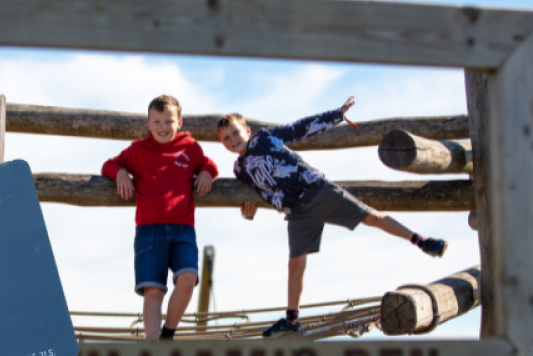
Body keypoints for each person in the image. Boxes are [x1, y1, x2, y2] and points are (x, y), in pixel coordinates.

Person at [215, 96, 448, 337]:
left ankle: (420, 240)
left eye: (236, 133)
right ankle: (292, 320)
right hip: (296, 211)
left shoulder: (265, 138)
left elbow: (300, 127)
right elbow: (255, 195)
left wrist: (337, 114)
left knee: (370, 217)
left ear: (247, 130)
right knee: (295, 264)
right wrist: (247, 214)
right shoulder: (239, 169)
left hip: (316, 190)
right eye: (226, 138)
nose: (233, 140)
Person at [102, 95, 219, 341]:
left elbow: (209, 165)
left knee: (188, 278)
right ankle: (153, 347)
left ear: (180, 122)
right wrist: (121, 173)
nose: (162, 127)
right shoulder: (137, 151)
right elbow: (109, 165)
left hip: (183, 229)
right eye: (156, 122)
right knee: (153, 291)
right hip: (148, 231)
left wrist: (207, 172)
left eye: (168, 121)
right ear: (148, 123)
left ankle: (168, 333)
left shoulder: (190, 148)